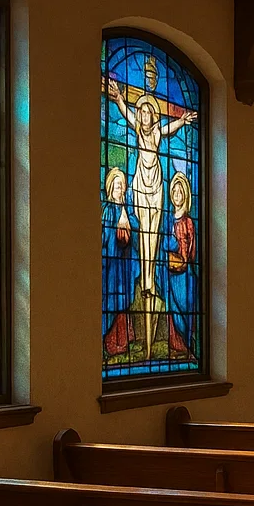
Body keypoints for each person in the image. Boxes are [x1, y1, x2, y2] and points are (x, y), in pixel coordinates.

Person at [105, 76, 197, 354]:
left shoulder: (157, 133)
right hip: (140, 184)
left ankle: (149, 278)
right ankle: (144, 277)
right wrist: (119, 97)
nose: (144, 115)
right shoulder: (137, 129)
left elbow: (170, 128)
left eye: (148, 112)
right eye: (142, 111)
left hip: (156, 184)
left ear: (153, 117)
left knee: (154, 232)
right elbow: (125, 112)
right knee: (142, 229)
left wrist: (183, 120)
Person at [101, 167, 138, 357]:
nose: (120, 190)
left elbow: (136, 231)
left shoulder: (127, 212)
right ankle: (111, 343)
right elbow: (105, 238)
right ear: (110, 189)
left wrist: (127, 218)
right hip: (112, 266)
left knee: (124, 300)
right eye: (117, 187)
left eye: (122, 186)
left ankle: (123, 342)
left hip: (124, 266)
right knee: (112, 301)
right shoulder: (108, 211)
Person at [160, 172, 198, 355]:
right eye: (173, 191)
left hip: (186, 276)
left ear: (186, 195)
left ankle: (186, 346)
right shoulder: (167, 220)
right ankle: (175, 347)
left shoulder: (189, 222)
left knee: (185, 310)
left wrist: (184, 261)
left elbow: (192, 251)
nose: (176, 195)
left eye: (180, 191)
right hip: (170, 273)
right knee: (172, 310)